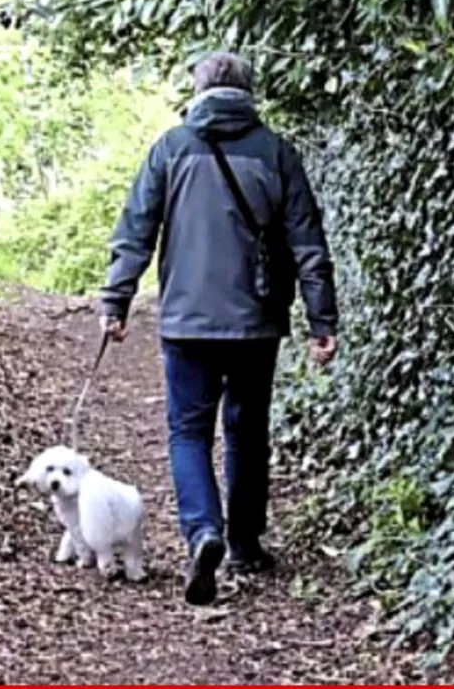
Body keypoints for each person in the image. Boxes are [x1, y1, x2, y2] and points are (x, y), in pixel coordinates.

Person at [99, 52, 337, 607]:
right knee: (247, 431)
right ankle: (245, 543)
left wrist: (117, 299)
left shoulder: (171, 148)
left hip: (185, 318)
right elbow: (308, 242)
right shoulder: (276, 153)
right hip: (256, 321)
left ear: (199, 90)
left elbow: (137, 227)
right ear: (249, 94)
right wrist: (322, 318)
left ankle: (203, 531)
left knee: (188, 430)